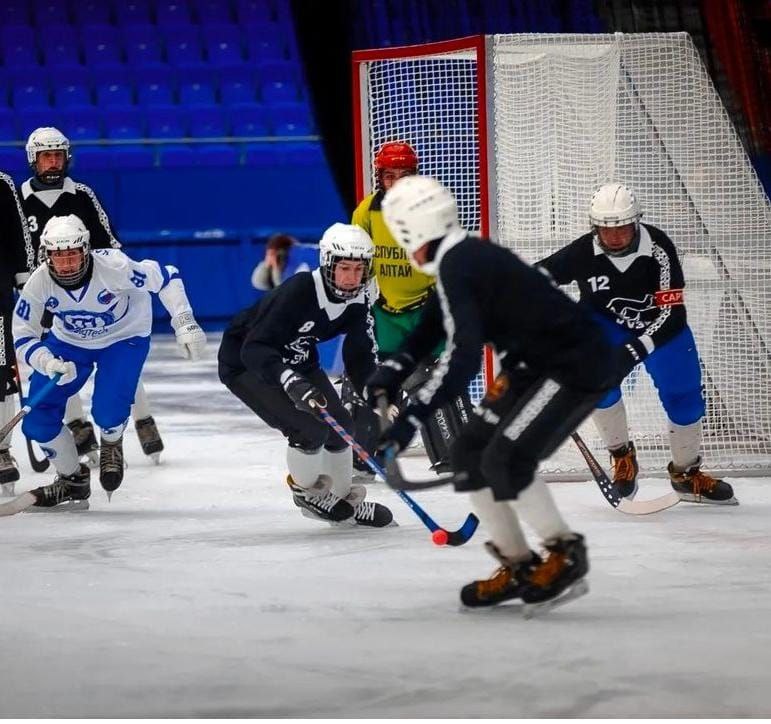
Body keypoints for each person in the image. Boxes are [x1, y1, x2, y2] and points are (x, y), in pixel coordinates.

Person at [366, 175, 629, 610]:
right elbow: (431, 325)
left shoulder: (460, 262)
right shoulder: (460, 258)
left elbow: (463, 357)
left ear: (411, 230)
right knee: (470, 455)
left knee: (507, 460)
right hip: (534, 367)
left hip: (568, 366)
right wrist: (392, 373)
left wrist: (411, 418)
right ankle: (519, 563)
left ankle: (564, 553)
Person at [537, 183, 736, 505]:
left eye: (622, 229)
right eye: (606, 229)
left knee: (685, 397)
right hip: (603, 327)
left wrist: (634, 350)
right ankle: (622, 457)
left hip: (661, 329)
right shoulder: (582, 252)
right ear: (594, 227)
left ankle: (686, 475)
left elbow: (671, 313)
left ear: (637, 222)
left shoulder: (658, 247)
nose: (614, 237)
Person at [12, 214, 206, 509]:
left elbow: (166, 276)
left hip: (124, 337)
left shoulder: (115, 266)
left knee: (108, 411)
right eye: (58, 257)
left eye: (73, 255)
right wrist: (46, 361)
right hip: (69, 342)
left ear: (86, 250)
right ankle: (71, 480)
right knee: (36, 421)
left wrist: (184, 321)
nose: (66, 265)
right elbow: (23, 334)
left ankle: (111, 439)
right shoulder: (37, 284)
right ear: (46, 256)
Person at [218, 223, 393, 528]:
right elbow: (255, 347)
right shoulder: (299, 290)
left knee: (343, 427)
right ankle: (307, 493)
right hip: (247, 362)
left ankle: (343, 502)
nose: (352, 278)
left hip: (299, 360)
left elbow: (360, 356)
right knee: (309, 430)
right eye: (345, 268)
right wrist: (288, 379)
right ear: (328, 264)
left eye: (359, 269)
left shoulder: (360, 300)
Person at [20, 126, 165, 465]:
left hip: (91, 290)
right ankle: (77, 425)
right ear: (33, 160)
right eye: (46, 157)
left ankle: (142, 417)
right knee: (58, 360)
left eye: (58, 155)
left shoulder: (82, 193)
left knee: (118, 356)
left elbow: (109, 243)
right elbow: (19, 247)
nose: (53, 163)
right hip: (46, 292)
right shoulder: (19, 197)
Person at [351, 140, 469, 475]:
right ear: (380, 177)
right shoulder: (367, 211)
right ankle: (366, 455)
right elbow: (360, 259)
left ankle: (457, 454)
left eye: (405, 175)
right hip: (388, 312)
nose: (397, 182)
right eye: (391, 176)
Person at [0, 172, 34, 496]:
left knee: (0, 374)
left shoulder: (2, 183)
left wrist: (26, 281)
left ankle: (0, 447)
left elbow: (20, 233)